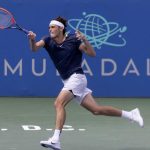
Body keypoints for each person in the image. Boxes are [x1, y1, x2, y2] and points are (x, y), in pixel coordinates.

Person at [28, 16, 144, 150]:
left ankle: (55, 140)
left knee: (59, 103)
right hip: (68, 80)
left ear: (61, 28)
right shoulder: (47, 40)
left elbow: (92, 53)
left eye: (53, 27)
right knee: (96, 110)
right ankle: (131, 114)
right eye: (49, 27)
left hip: (77, 78)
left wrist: (85, 39)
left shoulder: (73, 40)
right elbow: (34, 48)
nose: (50, 29)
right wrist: (31, 39)